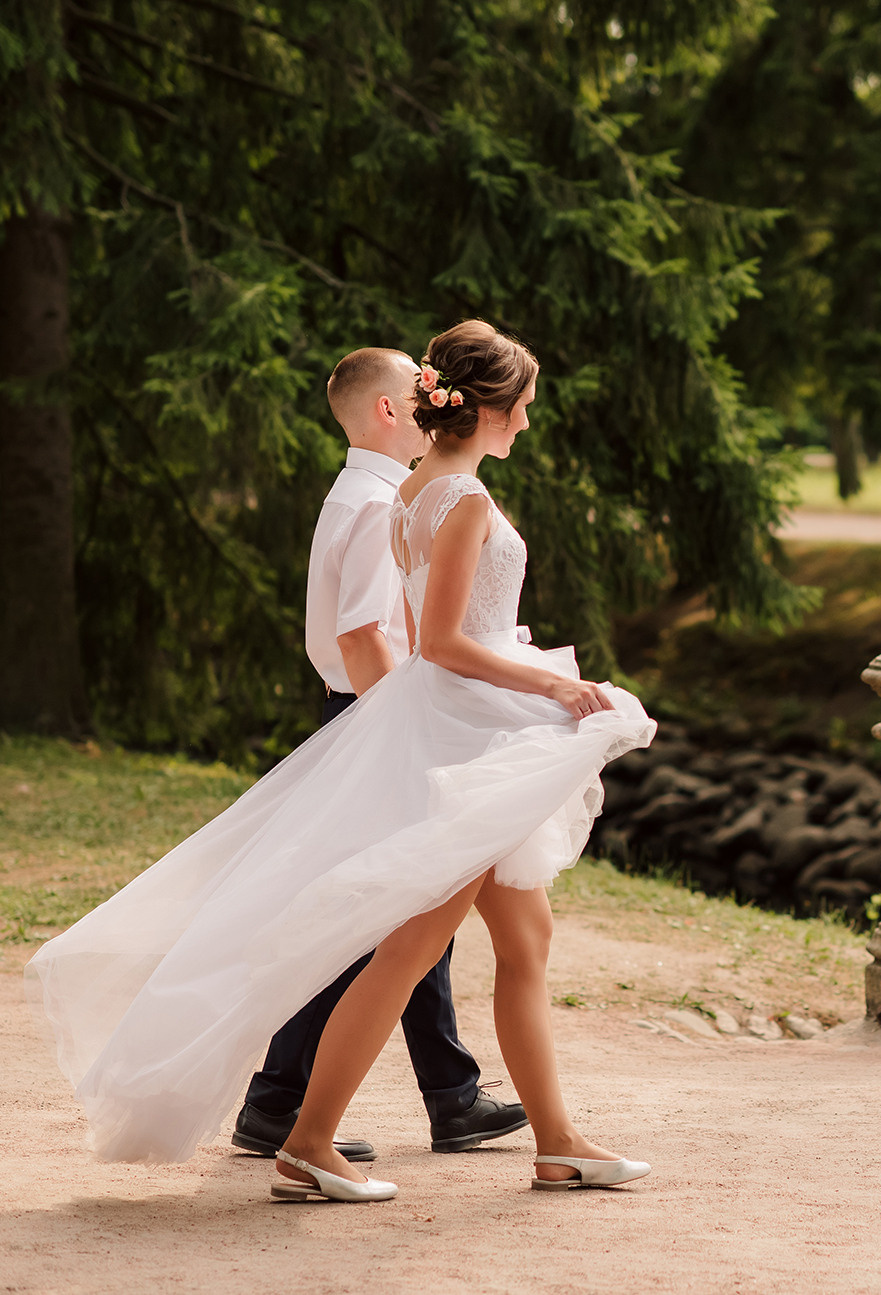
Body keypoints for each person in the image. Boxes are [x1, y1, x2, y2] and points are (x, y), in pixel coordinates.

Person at [26, 321, 656, 1201]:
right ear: (488, 409)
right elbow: (439, 643)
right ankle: (309, 1141)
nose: (527, 424)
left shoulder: (415, 490)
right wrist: (555, 688)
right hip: (466, 734)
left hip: (461, 724)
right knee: (409, 947)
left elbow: (440, 633)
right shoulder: (461, 500)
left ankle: (558, 1140)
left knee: (525, 936)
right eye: (523, 409)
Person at [229, 346, 526, 1165]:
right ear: (393, 411)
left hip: (365, 714)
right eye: (417, 396)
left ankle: (449, 1095)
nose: (431, 411)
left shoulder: (364, 494)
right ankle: (281, 1103)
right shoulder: (375, 503)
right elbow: (363, 634)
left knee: (403, 915)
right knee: (378, 919)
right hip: (371, 714)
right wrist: (405, 735)